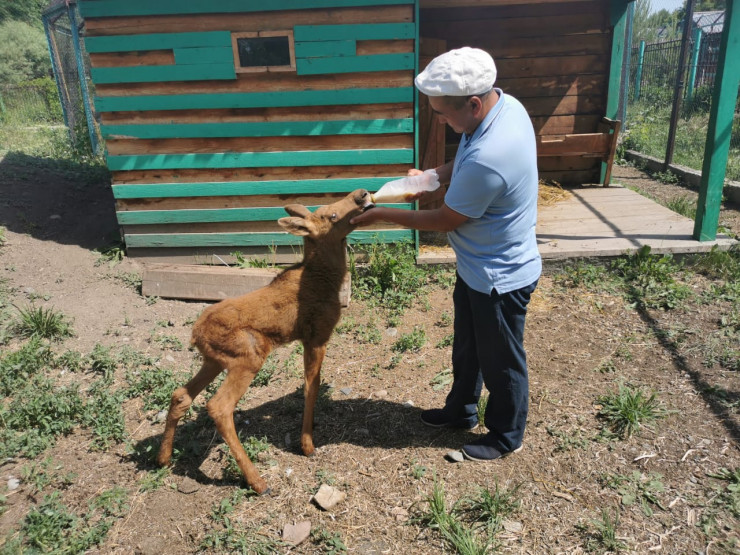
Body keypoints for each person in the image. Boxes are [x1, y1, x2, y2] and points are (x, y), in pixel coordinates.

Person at [350, 47, 541, 462]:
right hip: (477, 266)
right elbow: (467, 155)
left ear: (473, 103)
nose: (439, 120)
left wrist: (381, 214)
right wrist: (433, 176)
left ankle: (506, 435)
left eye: (442, 113)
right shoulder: (504, 106)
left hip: (500, 276)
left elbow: (446, 219)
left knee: (501, 361)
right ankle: (462, 410)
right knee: (468, 348)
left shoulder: (494, 155)